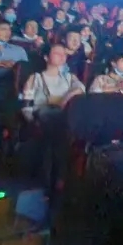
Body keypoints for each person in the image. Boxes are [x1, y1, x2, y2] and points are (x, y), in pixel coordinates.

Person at [20, 44, 85, 197]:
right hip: (44, 115)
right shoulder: (35, 78)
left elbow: (81, 89)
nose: (62, 57)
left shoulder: (70, 77)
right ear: (46, 57)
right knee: (54, 123)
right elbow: (26, 106)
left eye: (64, 54)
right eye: (57, 53)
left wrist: (64, 99)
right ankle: (55, 180)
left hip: (67, 116)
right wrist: (32, 121)